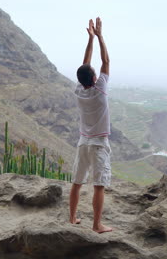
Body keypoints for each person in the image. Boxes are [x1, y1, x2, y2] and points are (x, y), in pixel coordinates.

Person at [69, 17, 112, 234]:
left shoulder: (79, 91)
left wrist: (89, 40)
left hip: (82, 142)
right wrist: (99, 37)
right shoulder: (100, 89)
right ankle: (96, 225)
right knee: (98, 185)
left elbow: (85, 65)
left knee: (77, 182)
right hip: (98, 143)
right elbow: (106, 61)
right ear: (95, 78)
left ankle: (72, 217)